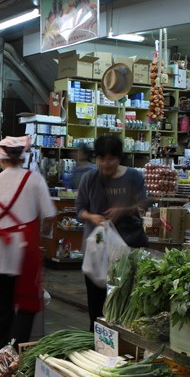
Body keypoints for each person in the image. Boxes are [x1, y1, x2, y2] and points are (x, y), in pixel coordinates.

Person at [0, 136, 57, 349]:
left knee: (2, 305)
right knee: (27, 304)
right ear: (22, 157)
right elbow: (49, 214)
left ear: (1, 159)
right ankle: (15, 351)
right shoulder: (34, 180)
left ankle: (1, 353)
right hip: (22, 250)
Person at [76, 134, 148, 330]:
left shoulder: (133, 176)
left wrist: (123, 211)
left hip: (129, 249)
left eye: (110, 159)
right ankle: (96, 343)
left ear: (119, 158)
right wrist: (92, 217)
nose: (105, 164)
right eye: (101, 159)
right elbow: (80, 209)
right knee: (97, 306)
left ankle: (120, 347)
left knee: (123, 307)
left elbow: (143, 204)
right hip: (97, 251)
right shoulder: (89, 178)